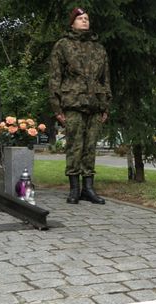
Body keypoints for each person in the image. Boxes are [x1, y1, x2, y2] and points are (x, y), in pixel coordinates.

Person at [49, 7, 111, 205]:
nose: (85, 21)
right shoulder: (63, 46)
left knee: (90, 146)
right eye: (80, 18)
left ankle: (88, 189)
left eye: (87, 18)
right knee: (74, 146)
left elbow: (105, 79)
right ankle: (74, 189)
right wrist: (57, 108)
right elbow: (54, 78)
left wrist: (106, 106)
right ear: (72, 22)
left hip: (95, 104)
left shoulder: (99, 48)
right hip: (72, 103)